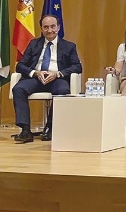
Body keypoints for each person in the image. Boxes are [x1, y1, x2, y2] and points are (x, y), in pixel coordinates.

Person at [12, 15, 82, 143]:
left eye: (52, 26)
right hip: (36, 78)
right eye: (46, 27)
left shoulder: (69, 46)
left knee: (62, 90)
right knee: (19, 89)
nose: (49, 30)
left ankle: (50, 127)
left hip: (56, 78)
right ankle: (25, 130)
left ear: (58, 27)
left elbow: (77, 66)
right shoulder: (34, 44)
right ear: (41, 29)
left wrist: (57, 74)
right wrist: (35, 72)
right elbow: (20, 65)